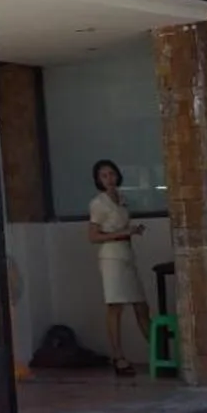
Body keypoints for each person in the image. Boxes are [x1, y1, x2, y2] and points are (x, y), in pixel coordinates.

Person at [86, 159, 154, 377]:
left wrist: (131, 231)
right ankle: (118, 356)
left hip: (126, 254)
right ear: (98, 180)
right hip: (111, 257)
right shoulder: (99, 203)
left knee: (141, 306)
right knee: (115, 306)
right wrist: (122, 233)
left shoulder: (122, 199)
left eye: (112, 174)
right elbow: (93, 236)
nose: (109, 179)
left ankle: (157, 351)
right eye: (104, 176)